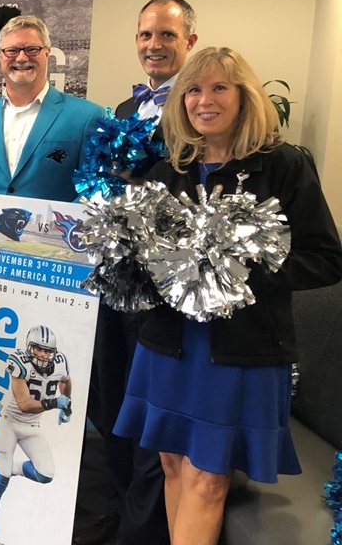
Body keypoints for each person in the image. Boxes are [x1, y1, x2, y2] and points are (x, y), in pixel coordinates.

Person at [113, 47, 342, 545]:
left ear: (244, 97)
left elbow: (326, 258)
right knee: (173, 464)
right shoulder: (167, 169)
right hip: (166, 345)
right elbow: (149, 264)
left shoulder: (283, 166)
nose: (204, 100)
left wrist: (236, 269)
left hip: (239, 352)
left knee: (207, 475)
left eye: (219, 88)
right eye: (194, 89)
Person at [77, 0, 197, 545]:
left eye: (167, 36)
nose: (155, 45)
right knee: (111, 402)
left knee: (152, 414)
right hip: (112, 283)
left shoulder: (199, 111)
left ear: (189, 42)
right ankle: (121, 507)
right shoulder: (122, 113)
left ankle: (143, 529)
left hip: (163, 291)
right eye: (147, 35)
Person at [0, 15, 105, 296]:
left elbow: (94, 192)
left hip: (55, 265)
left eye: (31, 49)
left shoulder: (86, 116)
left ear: (47, 53)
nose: (21, 57)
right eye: (12, 50)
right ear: (1, 57)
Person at [0, 325, 73, 528]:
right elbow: (24, 404)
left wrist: (67, 405)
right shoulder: (19, 362)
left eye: (47, 350)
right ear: (28, 347)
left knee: (46, 474)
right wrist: (53, 403)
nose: (43, 354)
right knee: (3, 473)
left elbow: (65, 381)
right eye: (38, 348)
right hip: (9, 420)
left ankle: (11, 468)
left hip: (32, 425)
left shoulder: (60, 362)